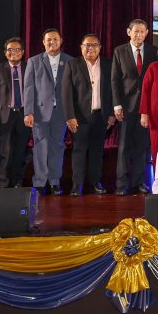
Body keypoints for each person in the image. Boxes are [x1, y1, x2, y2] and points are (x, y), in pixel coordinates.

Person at [63, 34, 115, 195]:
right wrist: (70, 116)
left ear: (100, 48)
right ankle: (77, 185)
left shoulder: (108, 64)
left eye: (94, 45)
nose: (90, 48)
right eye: (87, 45)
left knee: (97, 151)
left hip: (101, 116)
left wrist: (112, 114)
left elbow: (113, 91)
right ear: (81, 47)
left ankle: (95, 182)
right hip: (79, 117)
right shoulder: (72, 64)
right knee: (79, 150)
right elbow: (66, 93)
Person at [111, 19, 155, 195]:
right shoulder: (119, 51)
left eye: (142, 31)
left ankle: (139, 182)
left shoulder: (153, 51)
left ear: (147, 33)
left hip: (145, 107)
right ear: (129, 32)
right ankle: (121, 185)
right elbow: (115, 80)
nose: (139, 34)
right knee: (123, 147)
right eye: (136, 31)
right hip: (125, 107)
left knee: (141, 146)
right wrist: (117, 105)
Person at [24, 28, 69, 195]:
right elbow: (28, 89)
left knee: (58, 146)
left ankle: (55, 181)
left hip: (61, 112)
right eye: (49, 39)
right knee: (40, 147)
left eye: (55, 39)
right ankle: (40, 181)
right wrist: (28, 112)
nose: (52, 42)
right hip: (40, 112)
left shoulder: (70, 61)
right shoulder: (34, 61)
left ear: (61, 41)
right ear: (43, 42)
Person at [0, 38, 31, 189]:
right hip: (4, 116)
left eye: (17, 49)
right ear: (5, 53)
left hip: (24, 115)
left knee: (20, 152)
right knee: (4, 152)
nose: (14, 52)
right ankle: (2, 183)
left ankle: (17, 182)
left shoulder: (29, 67)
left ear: (23, 52)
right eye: (10, 50)